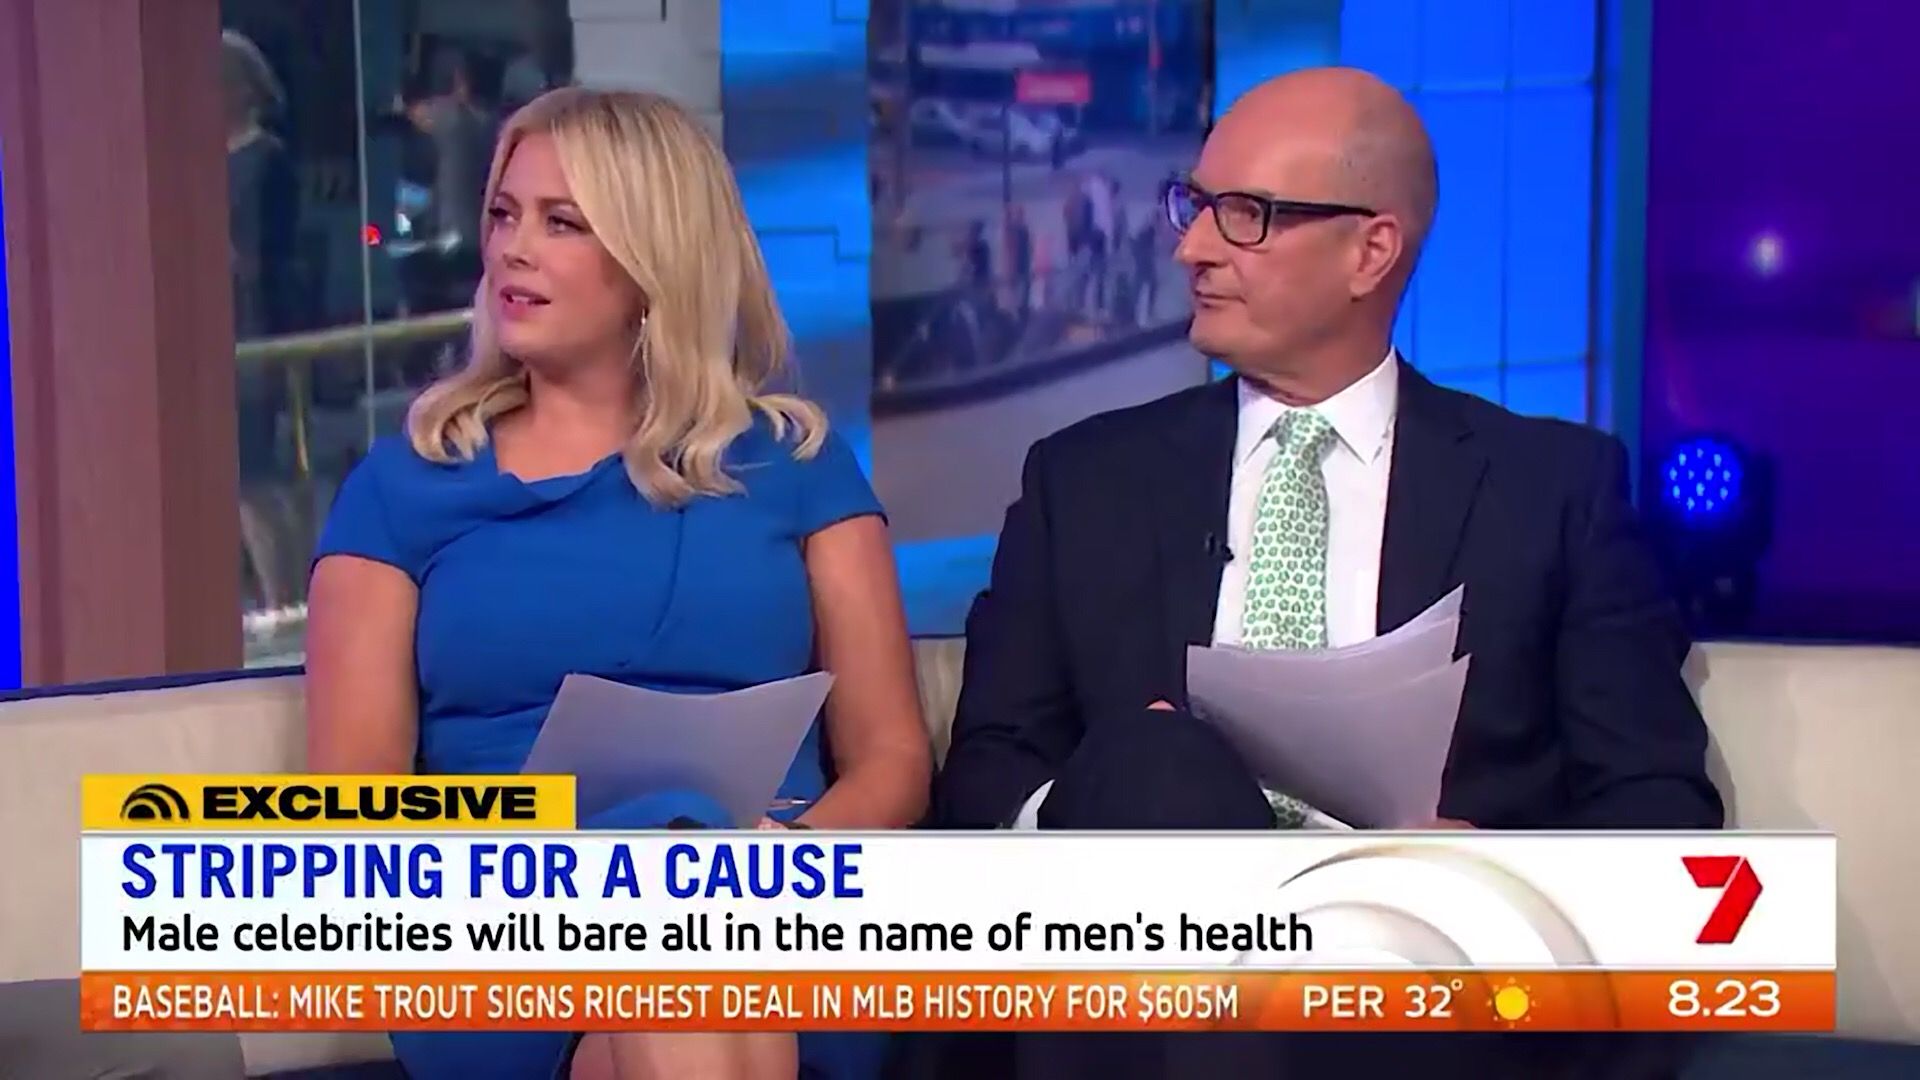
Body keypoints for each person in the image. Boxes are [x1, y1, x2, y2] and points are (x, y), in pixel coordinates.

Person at [932, 68, 1720, 1078]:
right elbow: (989, 769)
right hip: (1132, 975)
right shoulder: (1083, 479)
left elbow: (1656, 807)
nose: (1191, 247)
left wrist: (1494, 879)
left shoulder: (1553, 489)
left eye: (1245, 215)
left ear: (1370, 251)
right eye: (1193, 205)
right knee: (1160, 767)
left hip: (1418, 998)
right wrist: (1108, 803)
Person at [306, 87, 931, 1080]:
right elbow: (353, 804)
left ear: (653, 260)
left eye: (562, 223)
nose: (512, 249)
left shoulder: (796, 465)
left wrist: (788, 855)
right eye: (504, 214)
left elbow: (892, 757)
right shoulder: (402, 488)